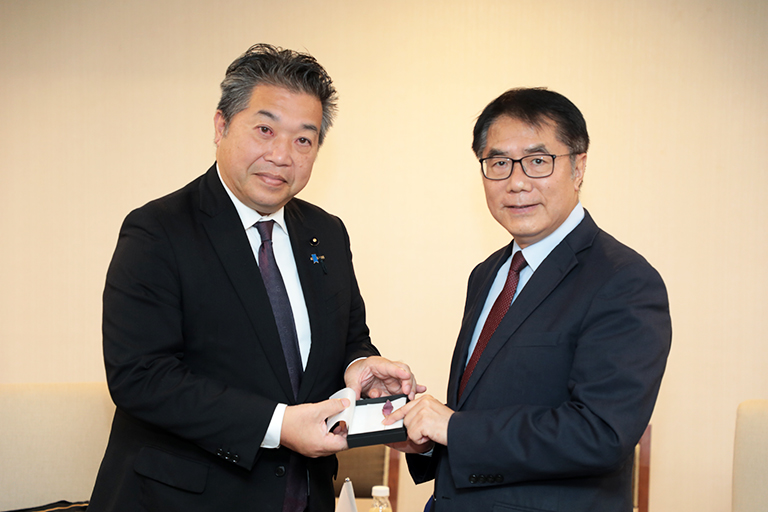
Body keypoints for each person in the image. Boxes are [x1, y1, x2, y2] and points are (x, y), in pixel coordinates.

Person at [88, 44, 423, 512]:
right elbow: (140, 376)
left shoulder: (326, 232)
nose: (282, 155)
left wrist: (360, 368)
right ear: (221, 126)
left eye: (303, 140)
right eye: (265, 130)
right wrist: (279, 425)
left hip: (305, 497)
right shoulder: (158, 230)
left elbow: (349, 338)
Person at [385, 88, 672, 511]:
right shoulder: (488, 273)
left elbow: (601, 434)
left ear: (579, 167)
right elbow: (489, 409)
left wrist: (455, 429)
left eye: (538, 161)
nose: (516, 182)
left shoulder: (624, 280)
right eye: (499, 163)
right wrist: (427, 437)